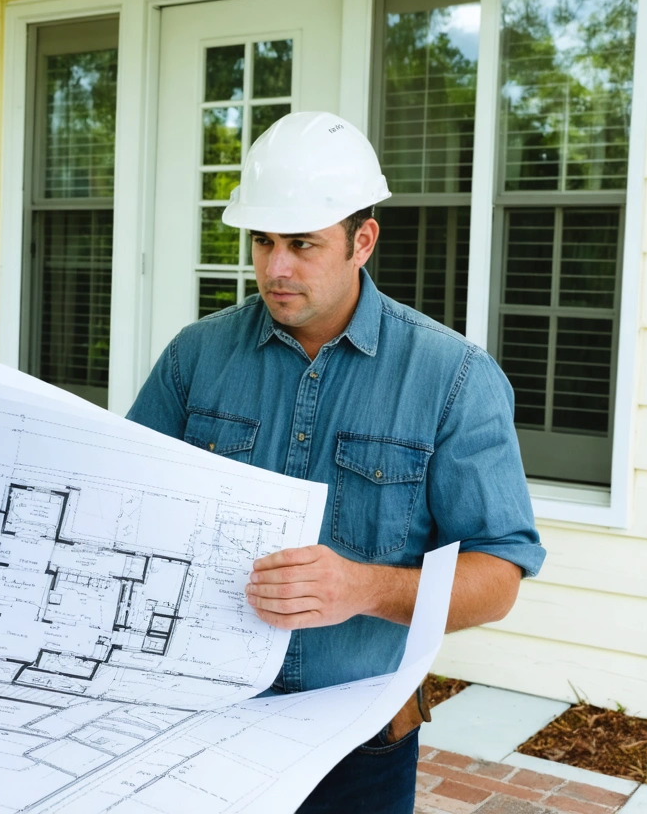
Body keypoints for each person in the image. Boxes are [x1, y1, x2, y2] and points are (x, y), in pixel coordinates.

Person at [127, 111, 546, 813]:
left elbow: (498, 573)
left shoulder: (452, 379)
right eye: (262, 241)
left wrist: (363, 589)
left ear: (363, 241)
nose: (275, 268)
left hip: (361, 743)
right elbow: (126, 500)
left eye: (301, 244)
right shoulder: (195, 357)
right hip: (203, 720)